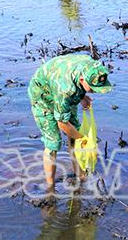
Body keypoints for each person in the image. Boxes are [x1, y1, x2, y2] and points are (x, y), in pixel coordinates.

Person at [28, 53, 113, 189]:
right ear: (82, 80)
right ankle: (50, 187)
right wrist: (82, 139)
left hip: (60, 85)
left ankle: (80, 176)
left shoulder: (91, 65)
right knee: (53, 142)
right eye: (92, 88)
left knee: (74, 134)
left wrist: (82, 96)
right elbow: (62, 123)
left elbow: (76, 81)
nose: (95, 92)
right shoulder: (66, 90)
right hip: (42, 95)